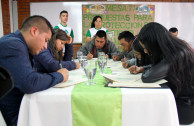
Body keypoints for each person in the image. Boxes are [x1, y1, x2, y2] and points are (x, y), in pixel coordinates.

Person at [0, 15, 69, 126]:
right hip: (17, 116)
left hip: (22, 107)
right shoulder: (14, 45)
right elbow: (29, 82)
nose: (46, 46)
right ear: (34, 31)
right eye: (46, 40)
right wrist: (59, 76)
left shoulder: (20, 44)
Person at [136, 22, 194, 125]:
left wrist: (145, 70)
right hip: (177, 100)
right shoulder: (175, 49)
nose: (145, 51)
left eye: (146, 48)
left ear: (154, 44)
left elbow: (148, 77)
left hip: (183, 108)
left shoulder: (178, 53)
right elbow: (161, 67)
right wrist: (143, 68)